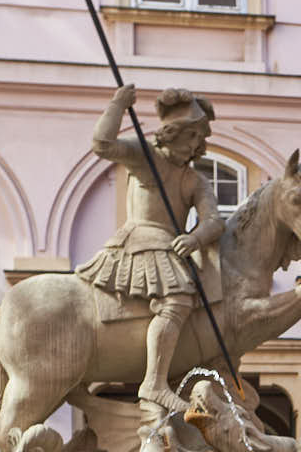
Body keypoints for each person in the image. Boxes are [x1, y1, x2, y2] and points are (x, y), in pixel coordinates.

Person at [77, 83, 224, 416]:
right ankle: (154, 383)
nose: (195, 144)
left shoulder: (194, 179)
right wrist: (118, 105)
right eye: (191, 135)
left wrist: (195, 238)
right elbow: (102, 144)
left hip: (172, 246)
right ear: (173, 132)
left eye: (200, 138)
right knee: (177, 301)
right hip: (141, 241)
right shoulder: (147, 157)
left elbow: (215, 221)